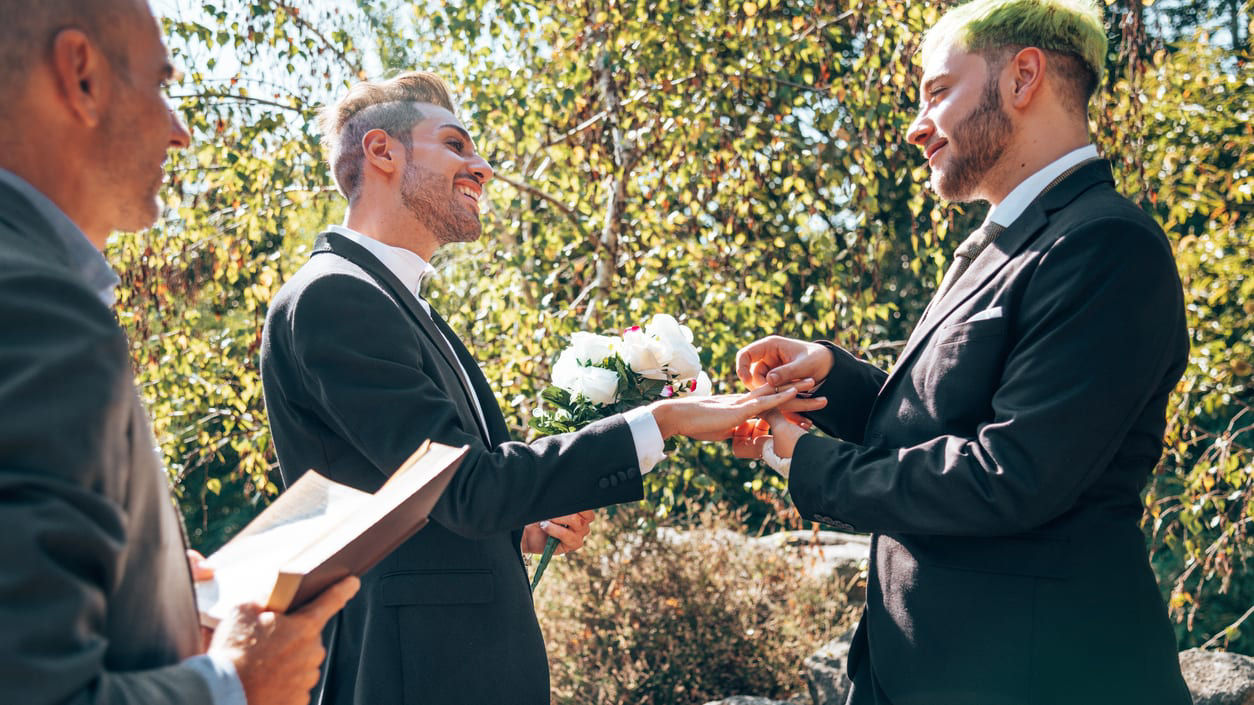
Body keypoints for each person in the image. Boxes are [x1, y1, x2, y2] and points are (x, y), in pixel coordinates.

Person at [258, 71, 816, 705]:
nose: (483, 167)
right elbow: (468, 489)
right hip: (410, 676)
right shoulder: (336, 296)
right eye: (456, 145)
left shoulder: (398, 302)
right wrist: (665, 422)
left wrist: (519, 524)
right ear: (383, 152)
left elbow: (432, 500)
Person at [735, 0, 1193, 703]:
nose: (918, 127)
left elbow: (1008, 474)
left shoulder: (1106, 246)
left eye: (938, 92)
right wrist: (834, 379)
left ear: (1024, 77)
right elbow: (949, 418)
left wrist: (800, 459)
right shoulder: (1002, 239)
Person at [0, 1, 359, 704]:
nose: (181, 131)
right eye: (161, 85)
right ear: (82, 77)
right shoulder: (38, 312)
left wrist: (151, 590)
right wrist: (234, 681)